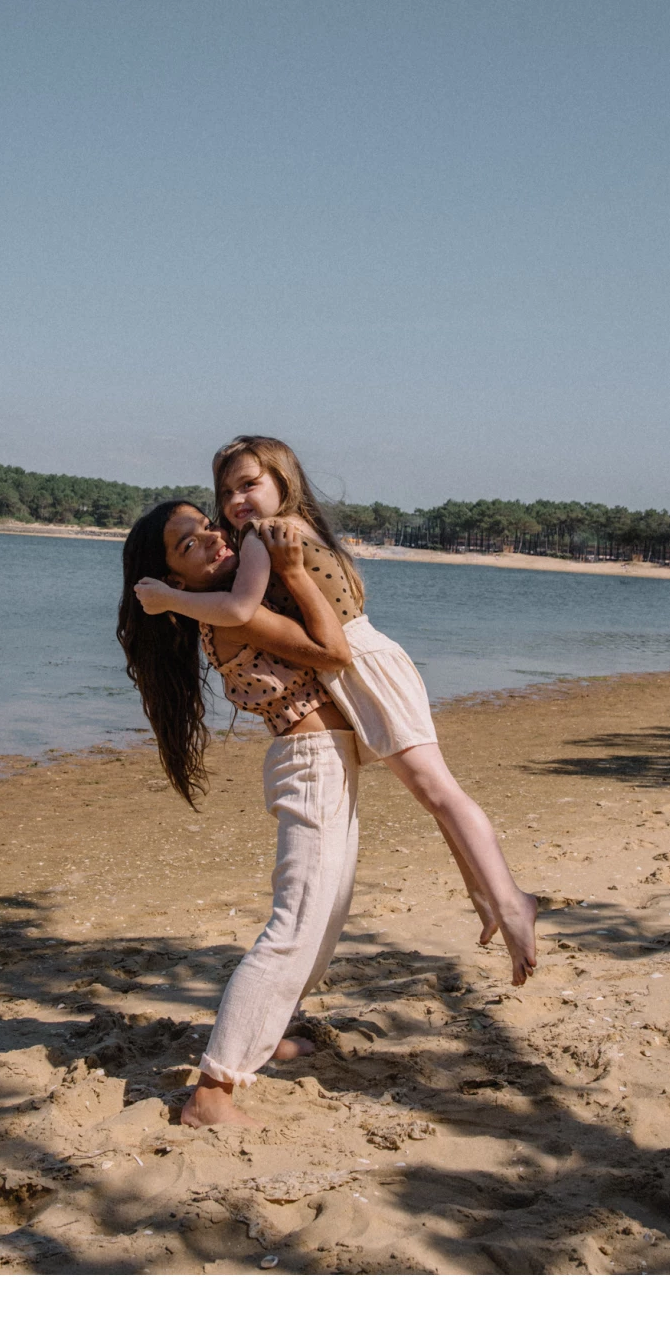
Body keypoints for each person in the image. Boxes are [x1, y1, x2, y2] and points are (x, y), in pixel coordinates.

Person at [134, 435, 538, 987]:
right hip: (363, 666)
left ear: (283, 481)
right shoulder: (293, 528)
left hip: (361, 667)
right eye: (226, 492)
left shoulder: (264, 537)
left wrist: (169, 599)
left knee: (439, 791)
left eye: (248, 484)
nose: (235, 501)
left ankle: (512, 902)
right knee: (432, 793)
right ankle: (486, 896)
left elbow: (240, 608)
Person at [118, 501, 361, 1127]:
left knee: (325, 918)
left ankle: (268, 1035)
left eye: (207, 526)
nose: (212, 539)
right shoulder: (235, 617)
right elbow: (334, 653)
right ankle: (211, 1093)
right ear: (175, 580)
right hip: (310, 763)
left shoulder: (235, 604)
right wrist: (294, 571)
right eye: (188, 545)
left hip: (327, 762)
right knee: (296, 924)